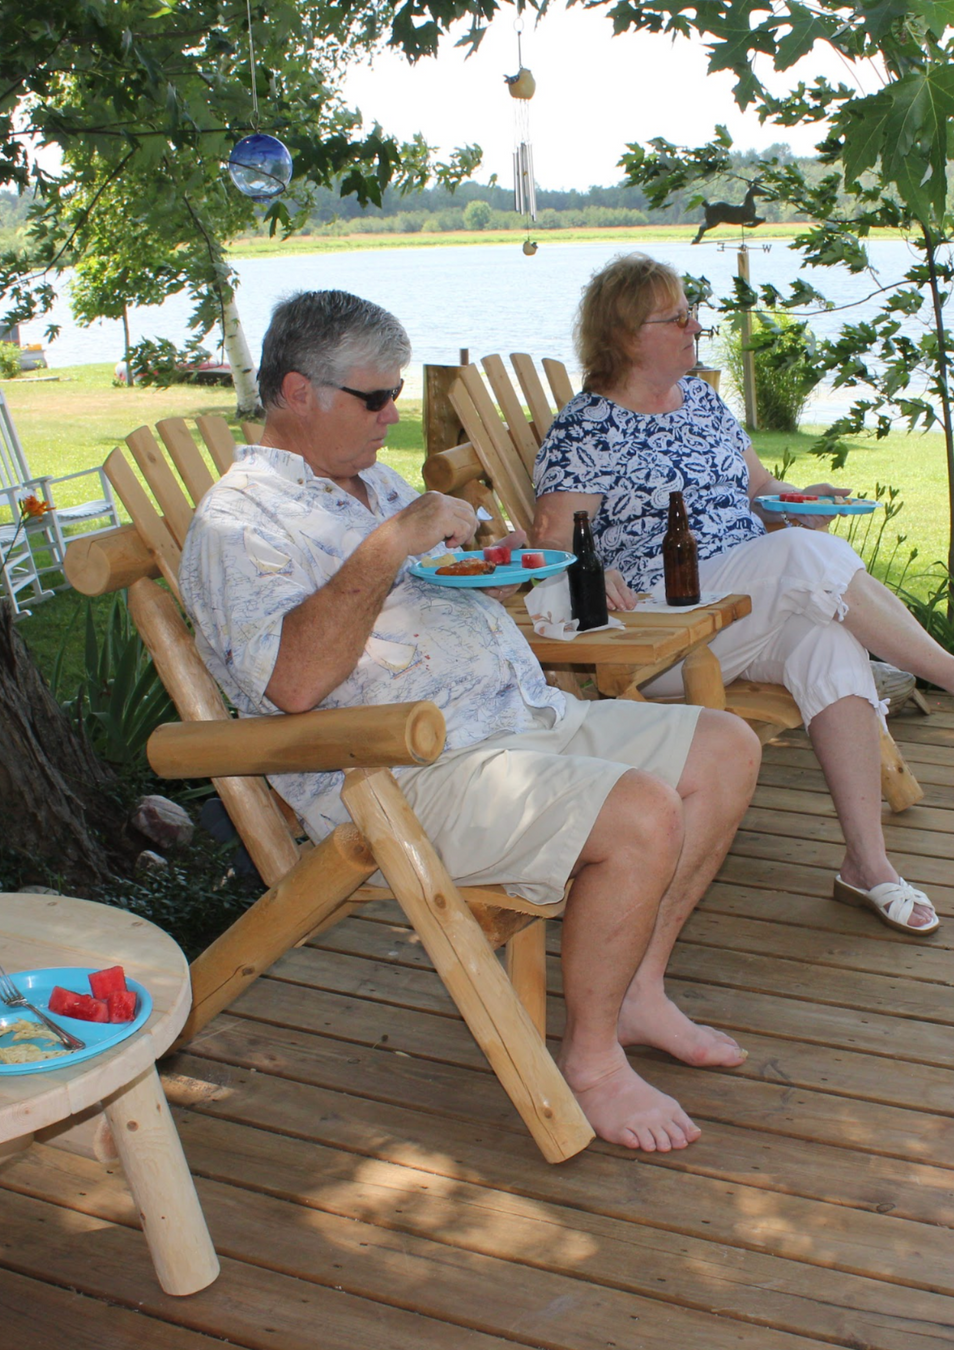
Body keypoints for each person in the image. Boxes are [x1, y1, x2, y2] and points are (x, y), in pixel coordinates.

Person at [178, 289, 763, 1154]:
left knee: (724, 746)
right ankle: (593, 1062)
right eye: (376, 398)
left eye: (396, 393)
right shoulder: (237, 524)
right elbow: (291, 683)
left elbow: (432, 586)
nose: (394, 414)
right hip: (400, 769)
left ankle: (637, 993)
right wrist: (389, 545)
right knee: (641, 812)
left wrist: (489, 566)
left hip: (522, 718)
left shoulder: (371, 481)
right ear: (298, 393)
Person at [532, 254, 954, 938]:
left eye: (693, 313)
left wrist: (798, 502)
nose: (696, 326)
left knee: (827, 640)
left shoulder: (702, 401)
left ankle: (867, 864)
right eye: (677, 318)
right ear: (628, 335)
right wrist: (590, 567)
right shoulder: (586, 428)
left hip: (746, 602)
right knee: (799, 557)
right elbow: (553, 538)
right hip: (661, 626)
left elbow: (760, 490)